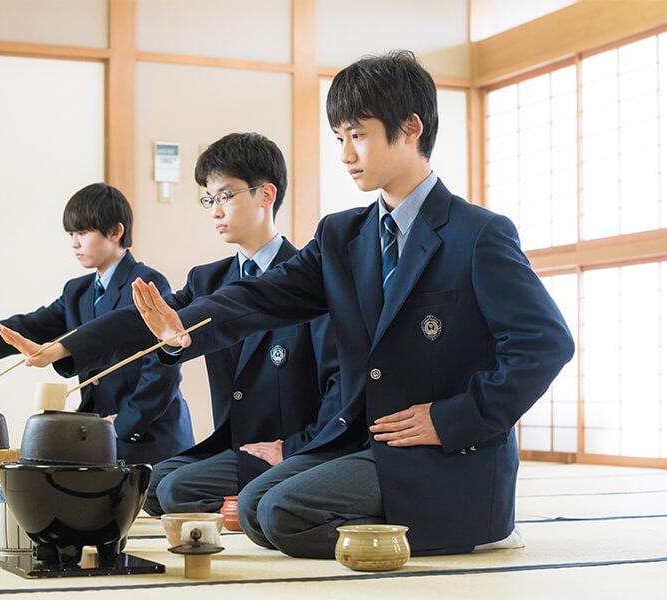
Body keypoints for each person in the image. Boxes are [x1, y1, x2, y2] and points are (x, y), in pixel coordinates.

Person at [128, 50, 575, 557]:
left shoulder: (478, 234)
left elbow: (545, 345)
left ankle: (463, 525)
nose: (345, 154)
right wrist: (184, 326)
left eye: (357, 134)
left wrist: (453, 417)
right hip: (360, 442)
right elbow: (264, 295)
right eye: (339, 138)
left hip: (442, 453)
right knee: (254, 507)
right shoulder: (342, 235)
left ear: (410, 127)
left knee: (278, 512)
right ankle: (396, 529)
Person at [0, 133, 347, 516]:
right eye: (209, 199)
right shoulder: (207, 280)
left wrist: (294, 448)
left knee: (178, 490)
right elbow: (141, 321)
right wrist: (63, 348)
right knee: (150, 487)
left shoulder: (308, 281)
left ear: (266, 195)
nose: (215, 211)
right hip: (232, 444)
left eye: (225, 196)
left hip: (287, 448)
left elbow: (338, 383)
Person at [0, 182, 194, 465]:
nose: (74, 243)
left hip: (149, 435)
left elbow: (162, 368)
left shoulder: (147, 283)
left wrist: (121, 425)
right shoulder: (77, 291)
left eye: (82, 232)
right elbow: (34, 325)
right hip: (99, 432)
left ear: (116, 232)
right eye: (71, 234)